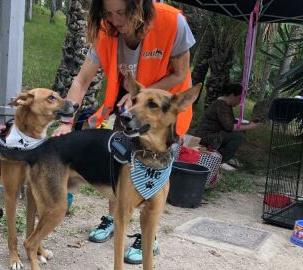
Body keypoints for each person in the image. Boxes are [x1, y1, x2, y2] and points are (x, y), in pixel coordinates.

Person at [53, 0, 196, 264]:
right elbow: (82, 80)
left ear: (139, 7)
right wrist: (65, 122)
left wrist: (142, 98)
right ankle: (115, 217)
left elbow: (180, 73)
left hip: (160, 113)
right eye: (107, 13)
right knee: (117, 165)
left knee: (153, 173)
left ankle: (147, 235)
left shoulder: (172, 22)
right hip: (123, 105)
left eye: (121, 12)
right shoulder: (106, 30)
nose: (115, 20)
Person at [192, 83, 261, 171]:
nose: (240, 102)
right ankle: (221, 161)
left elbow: (230, 121)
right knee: (238, 136)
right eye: (239, 98)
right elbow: (229, 127)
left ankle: (225, 157)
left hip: (213, 134)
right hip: (205, 136)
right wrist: (250, 126)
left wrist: (248, 123)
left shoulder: (225, 105)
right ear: (232, 95)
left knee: (241, 132)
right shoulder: (221, 105)